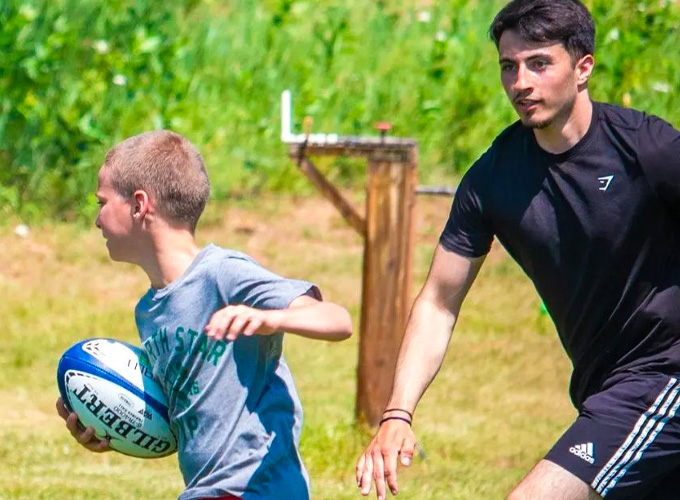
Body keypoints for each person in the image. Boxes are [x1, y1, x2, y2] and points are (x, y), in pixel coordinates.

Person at [356, 0, 680, 499]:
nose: (520, 83)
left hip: (664, 376)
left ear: (583, 68)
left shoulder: (646, 149)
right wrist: (398, 412)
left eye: (539, 63)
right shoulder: (493, 180)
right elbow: (439, 303)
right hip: (603, 387)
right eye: (509, 66)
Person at [55, 130, 353, 500]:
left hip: (257, 487)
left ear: (138, 205)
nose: (97, 220)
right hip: (207, 490)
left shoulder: (222, 274)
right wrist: (115, 427)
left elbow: (338, 320)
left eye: (102, 202)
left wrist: (269, 319)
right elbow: (189, 419)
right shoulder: (148, 310)